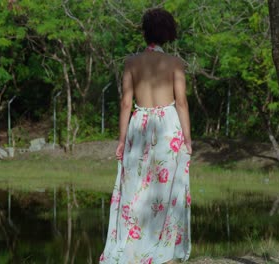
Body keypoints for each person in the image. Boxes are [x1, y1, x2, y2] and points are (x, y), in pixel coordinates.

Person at [99, 8, 192, 264]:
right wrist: (187, 138)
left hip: (139, 127)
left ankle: (133, 250)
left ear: (145, 33)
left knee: (136, 190)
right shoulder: (175, 63)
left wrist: (120, 140)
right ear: (168, 34)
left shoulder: (131, 63)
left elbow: (125, 103)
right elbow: (181, 102)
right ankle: (164, 251)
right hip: (168, 128)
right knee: (165, 191)